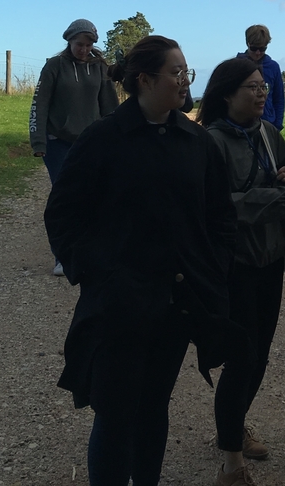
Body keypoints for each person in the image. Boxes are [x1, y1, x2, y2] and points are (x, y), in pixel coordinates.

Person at [44, 35, 236, 486]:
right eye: (177, 72)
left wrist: (213, 269)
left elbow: (220, 217)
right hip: (119, 306)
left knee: (153, 407)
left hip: (175, 305)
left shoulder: (197, 142)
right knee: (114, 410)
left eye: (187, 72)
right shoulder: (102, 139)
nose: (186, 81)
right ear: (145, 80)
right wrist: (95, 273)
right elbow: (62, 213)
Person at [198, 57, 285, 486]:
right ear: (226, 95)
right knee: (242, 359)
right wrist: (267, 198)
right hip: (233, 266)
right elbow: (211, 208)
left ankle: (233, 425)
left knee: (260, 355)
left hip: (270, 261)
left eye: (263, 87)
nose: (261, 94)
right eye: (251, 88)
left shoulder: (268, 133)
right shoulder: (211, 143)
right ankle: (232, 464)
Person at [30, 18, 120, 276]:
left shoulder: (100, 68)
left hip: (90, 142)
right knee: (65, 198)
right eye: (79, 44)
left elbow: (109, 106)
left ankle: (92, 251)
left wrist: (116, 138)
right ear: (69, 41)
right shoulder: (54, 66)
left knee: (94, 196)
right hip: (58, 143)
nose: (83, 49)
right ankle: (63, 256)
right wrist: (38, 140)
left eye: (89, 44)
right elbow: (40, 104)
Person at [239, 25, 285, 130]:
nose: (258, 53)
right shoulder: (237, 66)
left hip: (268, 124)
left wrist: (277, 125)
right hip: (243, 125)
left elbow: (279, 99)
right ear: (248, 44)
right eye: (254, 48)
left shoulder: (273, 67)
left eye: (262, 48)